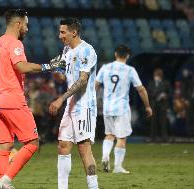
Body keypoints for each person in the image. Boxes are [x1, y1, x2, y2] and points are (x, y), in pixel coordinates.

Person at [0, 9, 65, 189]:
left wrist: (0, 89)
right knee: (32, 142)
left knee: (4, 147)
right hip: (12, 100)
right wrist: (49, 66)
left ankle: (2, 184)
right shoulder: (14, 43)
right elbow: (22, 66)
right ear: (18, 24)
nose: (27, 29)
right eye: (26, 25)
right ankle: (6, 180)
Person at [49, 18, 99, 189]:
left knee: (84, 148)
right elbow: (65, 75)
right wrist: (57, 74)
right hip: (71, 105)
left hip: (84, 106)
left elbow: (83, 80)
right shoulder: (66, 50)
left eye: (63, 32)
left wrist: (61, 98)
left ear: (74, 32)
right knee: (63, 146)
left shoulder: (87, 50)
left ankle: (94, 187)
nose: (59, 35)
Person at [95, 45, 152, 174]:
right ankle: (118, 167)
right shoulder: (129, 70)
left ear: (115, 54)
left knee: (109, 135)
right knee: (121, 138)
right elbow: (141, 89)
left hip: (107, 108)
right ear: (127, 56)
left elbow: (95, 86)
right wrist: (147, 106)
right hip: (121, 108)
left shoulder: (105, 68)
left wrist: (91, 102)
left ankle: (105, 156)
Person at [147, 68, 170, 142]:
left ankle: (164, 138)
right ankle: (152, 138)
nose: (157, 77)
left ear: (161, 76)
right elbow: (148, 94)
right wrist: (156, 95)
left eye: (158, 75)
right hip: (154, 104)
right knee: (153, 122)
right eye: (156, 75)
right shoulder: (151, 83)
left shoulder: (165, 83)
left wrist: (165, 96)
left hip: (163, 105)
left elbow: (170, 93)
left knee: (163, 122)